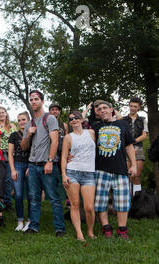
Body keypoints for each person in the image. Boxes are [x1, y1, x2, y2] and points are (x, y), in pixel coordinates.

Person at [21, 90, 66, 236]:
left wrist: (50, 161)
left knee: (53, 197)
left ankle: (59, 228)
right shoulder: (29, 124)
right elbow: (23, 147)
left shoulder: (50, 118)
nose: (33, 102)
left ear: (42, 101)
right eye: (31, 100)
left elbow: (55, 141)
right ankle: (33, 227)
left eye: (36, 99)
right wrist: (28, 134)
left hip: (47, 164)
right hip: (33, 165)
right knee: (33, 197)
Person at [92, 100, 136, 240]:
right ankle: (106, 229)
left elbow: (129, 146)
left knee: (123, 202)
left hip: (120, 169)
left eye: (105, 108)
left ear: (112, 110)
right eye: (99, 109)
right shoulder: (96, 127)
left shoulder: (122, 125)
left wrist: (133, 164)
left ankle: (122, 230)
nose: (102, 110)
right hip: (101, 170)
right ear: (97, 113)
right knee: (100, 201)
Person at [61, 111, 96, 242]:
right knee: (75, 204)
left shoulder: (91, 133)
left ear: (82, 120)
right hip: (72, 172)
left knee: (89, 207)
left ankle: (90, 232)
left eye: (76, 118)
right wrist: (64, 174)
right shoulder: (68, 137)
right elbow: (64, 156)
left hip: (89, 173)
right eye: (71, 119)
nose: (74, 120)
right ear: (69, 123)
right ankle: (79, 234)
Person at [8, 111, 32, 231]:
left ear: (28, 120)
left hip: (30, 165)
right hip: (17, 164)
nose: (21, 122)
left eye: (23, 119)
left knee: (30, 194)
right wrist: (12, 170)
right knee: (18, 195)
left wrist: (30, 167)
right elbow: (10, 154)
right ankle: (20, 220)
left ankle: (30, 221)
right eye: (19, 120)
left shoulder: (33, 133)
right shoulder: (14, 135)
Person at [122, 97, 148, 194]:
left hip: (138, 148)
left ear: (139, 107)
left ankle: (138, 200)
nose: (132, 108)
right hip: (125, 149)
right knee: (127, 175)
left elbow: (144, 135)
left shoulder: (143, 119)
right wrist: (129, 145)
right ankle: (127, 200)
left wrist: (132, 142)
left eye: (135, 106)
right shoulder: (123, 119)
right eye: (131, 106)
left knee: (137, 175)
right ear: (129, 106)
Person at [0, 106, 16, 212]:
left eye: (2, 112)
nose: (1, 114)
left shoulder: (12, 125)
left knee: (9, 180)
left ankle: (8, 203)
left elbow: (17, 138)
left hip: (10, 154)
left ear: (6, 113)